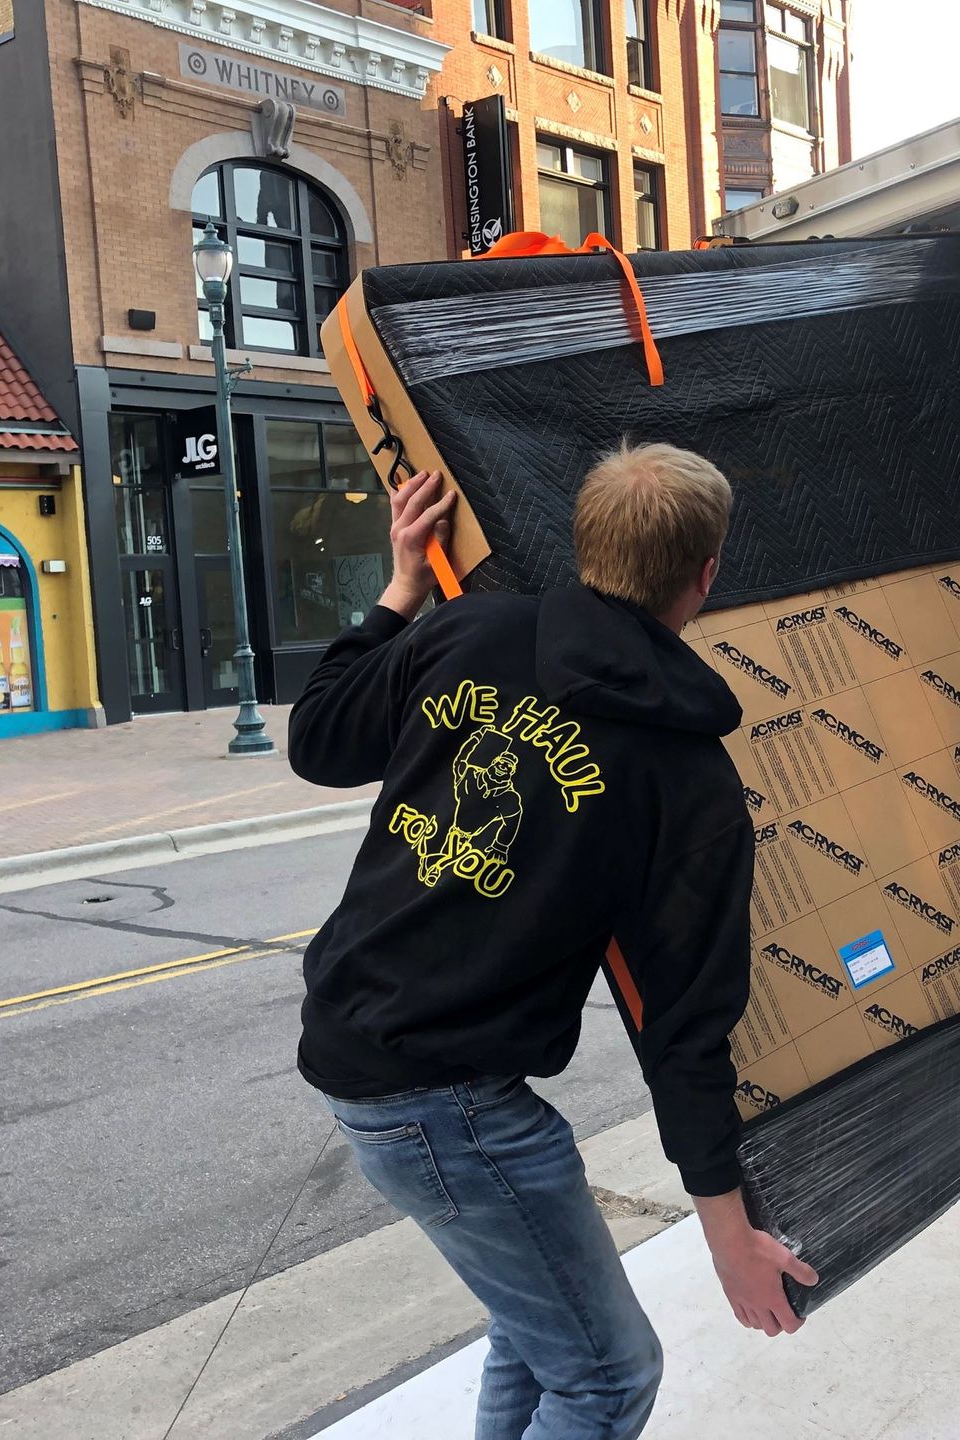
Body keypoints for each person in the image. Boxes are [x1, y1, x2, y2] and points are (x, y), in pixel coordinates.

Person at [289, 446, 816, 1440]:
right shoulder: (689, 778)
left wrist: (401, 589)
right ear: (706, 575)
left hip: (369, 1055)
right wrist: (729, 1235)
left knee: (539, 1338)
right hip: (445, 1105)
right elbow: (686, 1024)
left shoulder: (469, 630)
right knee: (608, 1379)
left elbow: (317, 740)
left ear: (585, 546)